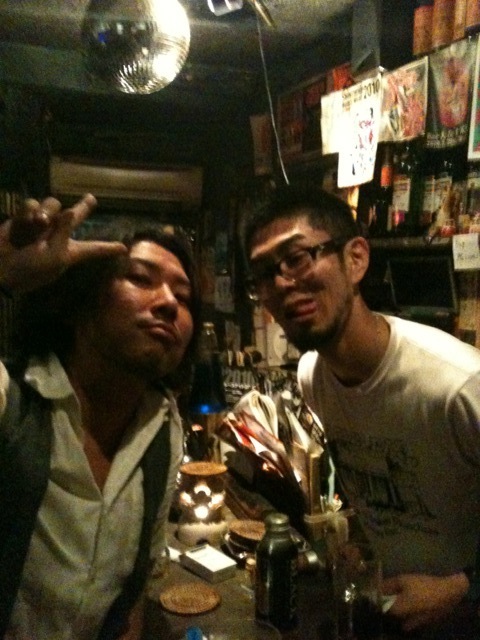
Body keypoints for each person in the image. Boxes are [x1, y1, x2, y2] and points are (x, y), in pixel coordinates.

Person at [244, 183, 480, 638]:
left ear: (355, 259)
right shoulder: (314, 377)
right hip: (397, 616)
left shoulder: (459, 385)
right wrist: (360, 544)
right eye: (264, 274)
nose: (282, 284)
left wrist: (461, 589)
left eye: (297, 258)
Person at [0, 194, 201, 639]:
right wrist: (2, 272)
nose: (169, 302)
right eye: (140, 278)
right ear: (82, 299)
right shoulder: (11, 399)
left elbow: (129, 600)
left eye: (184, 296)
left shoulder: (162, 429)